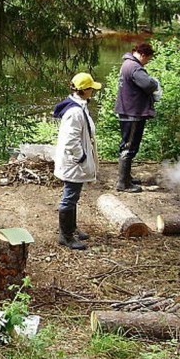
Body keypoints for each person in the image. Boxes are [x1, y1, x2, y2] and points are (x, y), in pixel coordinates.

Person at [52, 72, 101, 250]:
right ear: (85, 90)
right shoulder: (74, 112)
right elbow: (71, 140)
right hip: (74, 162)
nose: (93, 92)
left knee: (74, 196)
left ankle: (71, 228)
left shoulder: (80, 105)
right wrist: (81, 158)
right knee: (69, 197)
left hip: (75, 161)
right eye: (91, 88)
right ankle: (65, 236)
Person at [114, 41, 160, 192]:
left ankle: (126, 177)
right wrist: (154, 82)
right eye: (147, 59)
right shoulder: (134, 67)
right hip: (132, 113)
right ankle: (123, 184)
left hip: (128, 110)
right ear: (143, 55)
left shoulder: (127, 64)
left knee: (128, 144)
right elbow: (148, 85)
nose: (147, 63)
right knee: (129, 147)